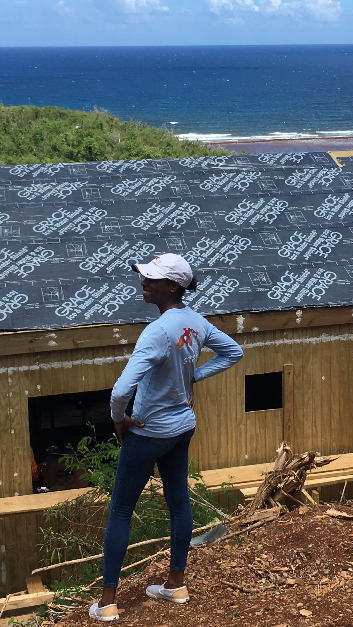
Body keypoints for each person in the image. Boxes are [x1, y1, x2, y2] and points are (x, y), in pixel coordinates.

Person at [90, 254, 243, 622]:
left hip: (148, 430)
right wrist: (194, 377)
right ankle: (175, 584)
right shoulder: (195, 321)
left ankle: (107, 602)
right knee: (178, 501)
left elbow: (119, 391)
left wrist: (119, 420)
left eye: (152, 279)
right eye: (143, 276)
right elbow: (233, 352)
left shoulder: (156, 332)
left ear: (173, 286)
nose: (144, 282)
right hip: (182, 426)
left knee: (122, 509)